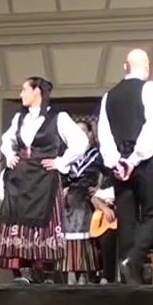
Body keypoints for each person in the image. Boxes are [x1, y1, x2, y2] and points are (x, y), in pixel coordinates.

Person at [0, 77, 88, 281]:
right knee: (17, 220)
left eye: (24, 89)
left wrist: (61, 162)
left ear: (37, 91)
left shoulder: (58, 117)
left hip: (43, 178)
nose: (21, 94)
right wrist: (10, 156)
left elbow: (80, 141)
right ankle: (22, 269)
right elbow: (6, 140)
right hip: (21, 176)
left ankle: (42, 269)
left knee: (42, 221)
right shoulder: (20, 118)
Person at [98, 49, 153, 285]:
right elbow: (151, 127)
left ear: (125, 67)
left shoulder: (109, 95)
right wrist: (134, 159)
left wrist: (115, 161)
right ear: (147, 67)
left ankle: (128, 277)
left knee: (126, 218)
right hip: (142, 161)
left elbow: (103, 133)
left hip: (118, 161)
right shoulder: (150, 88)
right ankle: (132, 261)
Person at [62, 120, 103, 282]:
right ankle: (72, 272)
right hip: (70, 200)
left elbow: (107, 176)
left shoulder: (97, 155)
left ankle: (88, 273)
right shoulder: (69, 155)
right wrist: (63, 187)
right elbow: (61, 176)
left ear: (90, 134)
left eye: (83, 131)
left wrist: (100, 190)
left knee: (87, 235)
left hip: (89, 200)